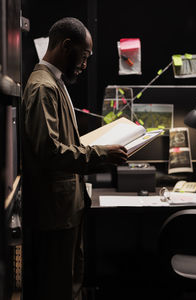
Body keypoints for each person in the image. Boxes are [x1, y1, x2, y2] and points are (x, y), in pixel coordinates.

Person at [21, 17, 128, 300]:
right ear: (67, 46)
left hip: (65, 209)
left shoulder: (53, 82)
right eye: (85, 55)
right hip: (54, 213)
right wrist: (101, 154)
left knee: (70, 284)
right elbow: (49, 151)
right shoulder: (43, 87)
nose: (85, 64)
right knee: (59, 288)